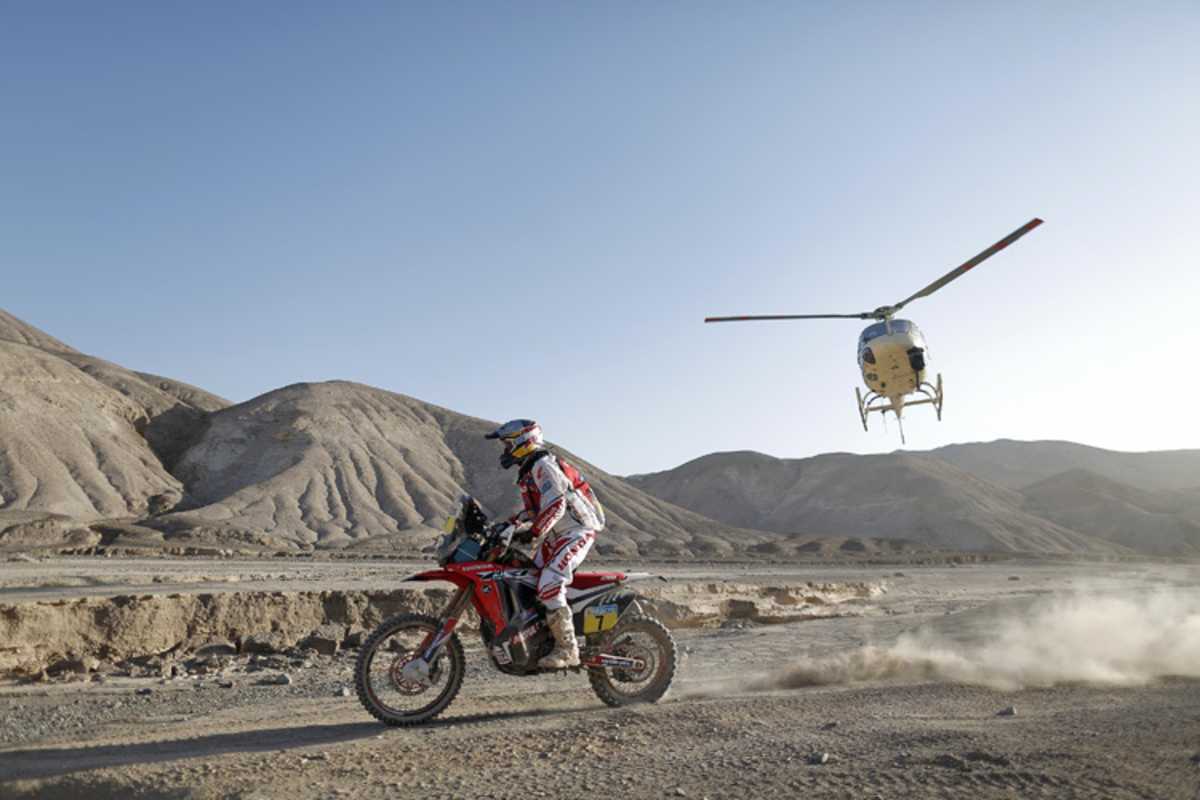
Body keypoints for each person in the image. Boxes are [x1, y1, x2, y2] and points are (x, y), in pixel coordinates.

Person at [485, 419, 605, 669]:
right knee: (528, 576)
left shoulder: (543, 465)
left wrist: (534, 532)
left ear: (523, 442)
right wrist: (507, 526)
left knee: (550, 581)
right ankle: (542, 639)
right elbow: (533, 511)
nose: (505, 450)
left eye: (507, 445)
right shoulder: (529, 470)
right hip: (557, 534)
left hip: (577, 530)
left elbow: (556, 505)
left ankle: (567, 649)